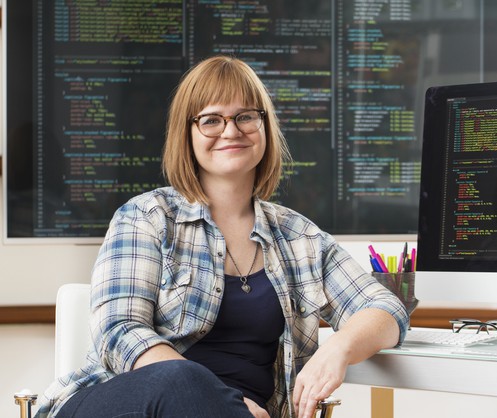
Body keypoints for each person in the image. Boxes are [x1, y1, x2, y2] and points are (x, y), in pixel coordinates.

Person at [35, 55, 409, 418]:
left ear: (264, 126)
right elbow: (119, 331)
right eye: (211, 120)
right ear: (188, 133)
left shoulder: (300, 238)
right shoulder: (146, 217)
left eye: (246, 116)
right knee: (181, 379)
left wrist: (338, 348)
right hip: (124, 403)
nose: (231, 131)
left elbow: (386, 309)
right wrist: (220, 399)